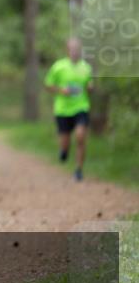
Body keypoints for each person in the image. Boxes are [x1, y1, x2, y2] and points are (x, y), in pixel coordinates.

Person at [44, 37, 94, 181]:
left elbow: (89, 86)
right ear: (67, 50)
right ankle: (64, 151)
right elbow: (48, 85)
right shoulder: (58, 66)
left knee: (80, 137)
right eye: (72, 49)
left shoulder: (86, 67)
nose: (75, 52)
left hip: (81, 107)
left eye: (77, 49)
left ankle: (78, 170)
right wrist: (61, 90)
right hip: (62, 109)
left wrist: (90, 87)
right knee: (65, 142)